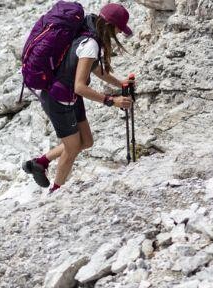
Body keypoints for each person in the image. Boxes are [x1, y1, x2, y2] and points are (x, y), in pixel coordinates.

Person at [22, 3, 134, 193]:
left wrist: (120, 83)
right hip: (59, 99)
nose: (119, 34)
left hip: (69, 96)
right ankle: (55, 192)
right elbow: (80, 87)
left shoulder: (88, 30)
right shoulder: (90, 43)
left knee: (86, 141)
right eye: (118, 29)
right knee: (72, 148)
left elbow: (94, 68)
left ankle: (40, 162)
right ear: (110, 26)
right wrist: (111, 101)